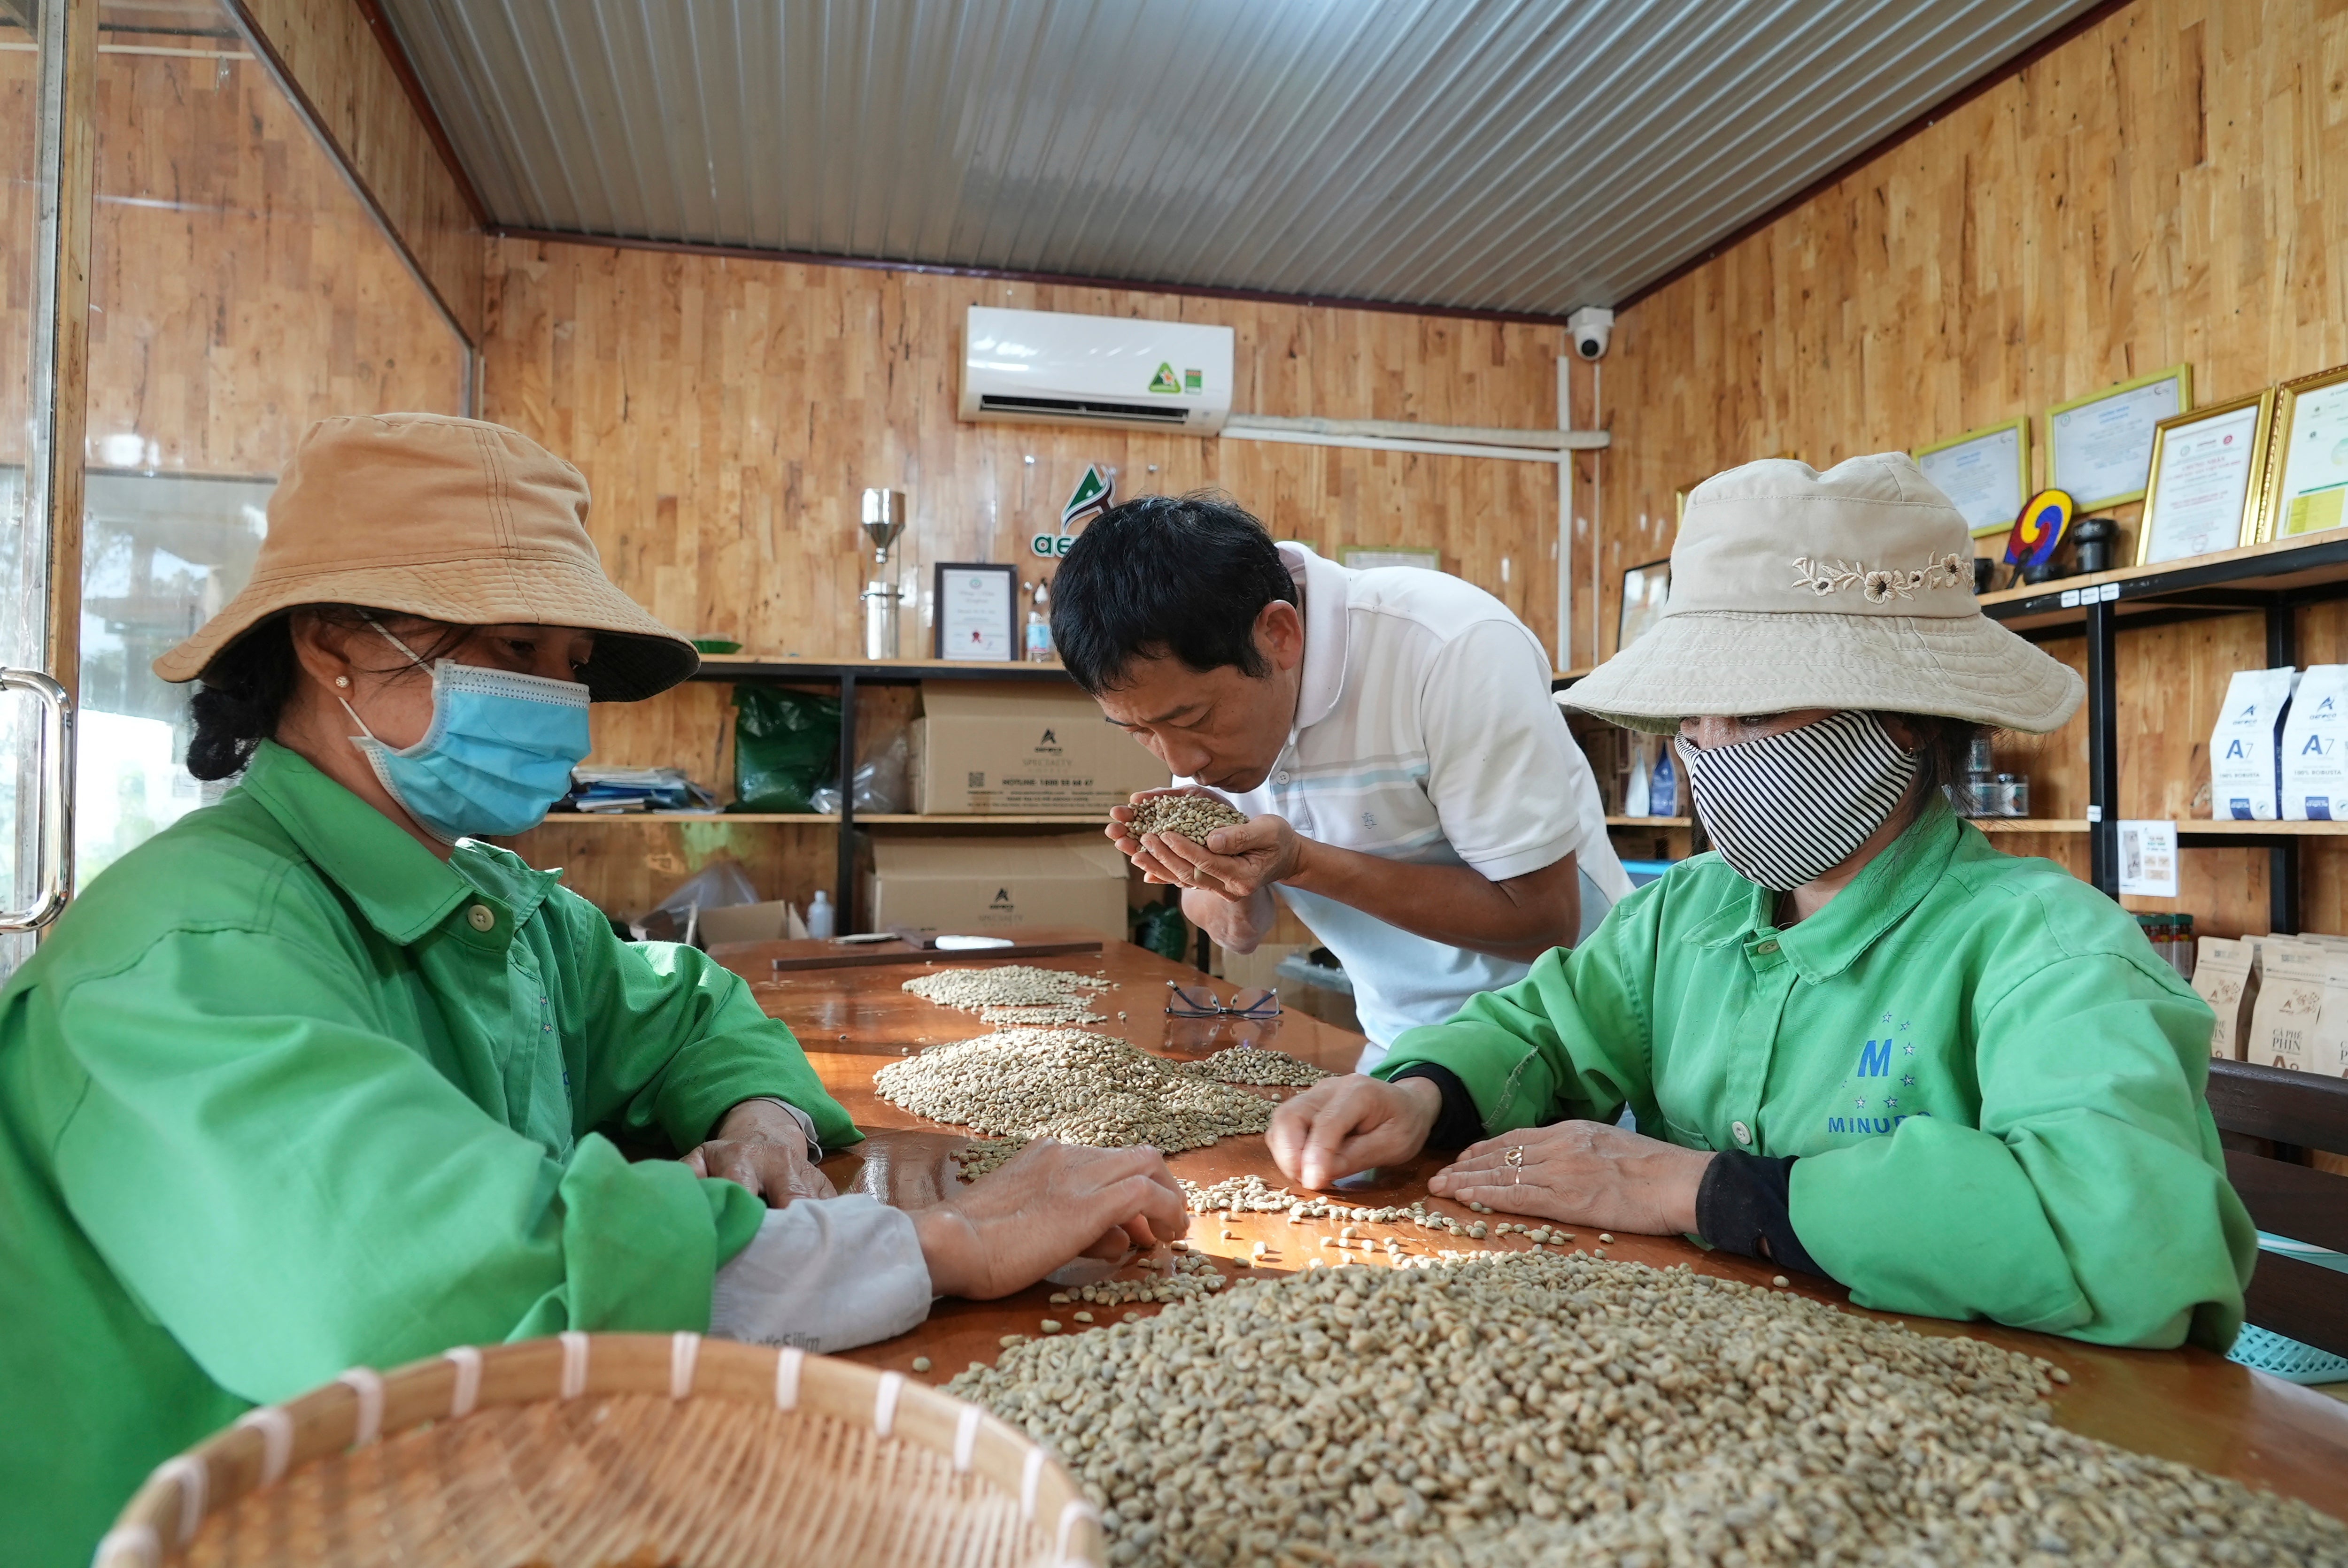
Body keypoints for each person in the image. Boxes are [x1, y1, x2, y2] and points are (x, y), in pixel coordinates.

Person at [0, 414, 1186, 1568]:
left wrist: (757, 1117)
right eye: (513, 651)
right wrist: (934, 1242)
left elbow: (687, 1005)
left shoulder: (484, 903)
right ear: (332, 642)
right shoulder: (188, 953)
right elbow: (453, 1303)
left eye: (570, 668)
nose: (558, 704)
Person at [1265, 453, 2255, 1351]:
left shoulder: (2048, 951)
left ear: (1906, 719)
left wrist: (1694, 1187)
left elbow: (2127, 1240)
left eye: (1757, 713)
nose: (1714, 753)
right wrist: (1418, 1094)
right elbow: (1544, 1024)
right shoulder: (1689, 910)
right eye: (1693, 721)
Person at [1050, 492, 1630, 1070]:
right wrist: (1221, 879)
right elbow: (1237, 931)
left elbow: (1543, 921)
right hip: (1405, 1044)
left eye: (1192, 720)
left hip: (1579, 1043)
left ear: (1278, 634)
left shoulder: (1449, 644)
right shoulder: (1189, 703)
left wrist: (1299, 862)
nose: (1183, 758)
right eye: (1138, 732)